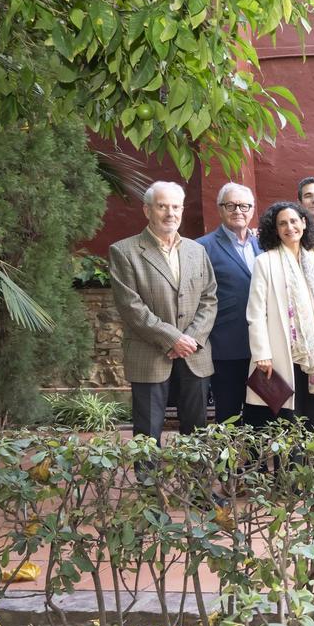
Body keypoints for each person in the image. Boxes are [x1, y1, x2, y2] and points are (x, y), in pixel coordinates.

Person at [109, 182, 217, 444]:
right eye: (162, 206)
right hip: (150, 355)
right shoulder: (124, 251)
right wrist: (173, 339)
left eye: (176, 207)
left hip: (195, 354)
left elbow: (209, 298)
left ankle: (197, 483)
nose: (170, 213)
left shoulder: (196, 250)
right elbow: (131, 307)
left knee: (197, 432)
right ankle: (148, 485)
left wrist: (190, 339)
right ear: (147, 210)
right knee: (147, 434)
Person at [246, 202, 314, 430]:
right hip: (281, 351)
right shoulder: (265, 262)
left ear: (304, 223)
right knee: (288, 416)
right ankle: (290, 464)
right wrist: (262, 353)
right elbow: (255, 312)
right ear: (275, 230)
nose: (289, 227)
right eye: (282, 224)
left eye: (294, 221)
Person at [197, 182, 261, 425]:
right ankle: (234, 463)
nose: (238, 211)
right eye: (231, 205)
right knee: (229, 413)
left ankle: (260, 464)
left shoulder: (262, 244)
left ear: (252, 209)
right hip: (226, 346)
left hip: (261, 345)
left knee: (261, 411)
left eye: (244, 206)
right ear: (220, 209)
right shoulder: (203, 247)